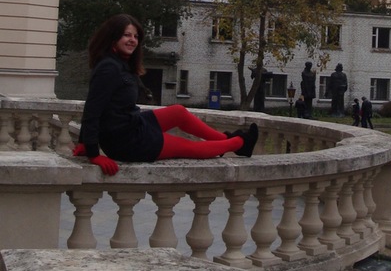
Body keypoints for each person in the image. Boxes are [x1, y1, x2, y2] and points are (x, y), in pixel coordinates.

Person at [73, 14, 259, 176]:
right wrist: (93, 152)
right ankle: (239, 143)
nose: (132, 40)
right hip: (126, 142)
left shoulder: (121, 64)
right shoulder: (108, 68)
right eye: (127, 35)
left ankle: (226, 139)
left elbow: (96, 105)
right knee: (186, 146)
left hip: (133, 124)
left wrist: (83, 141)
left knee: (178, 112)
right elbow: (93, 109)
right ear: (113, 37)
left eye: (135, 36)